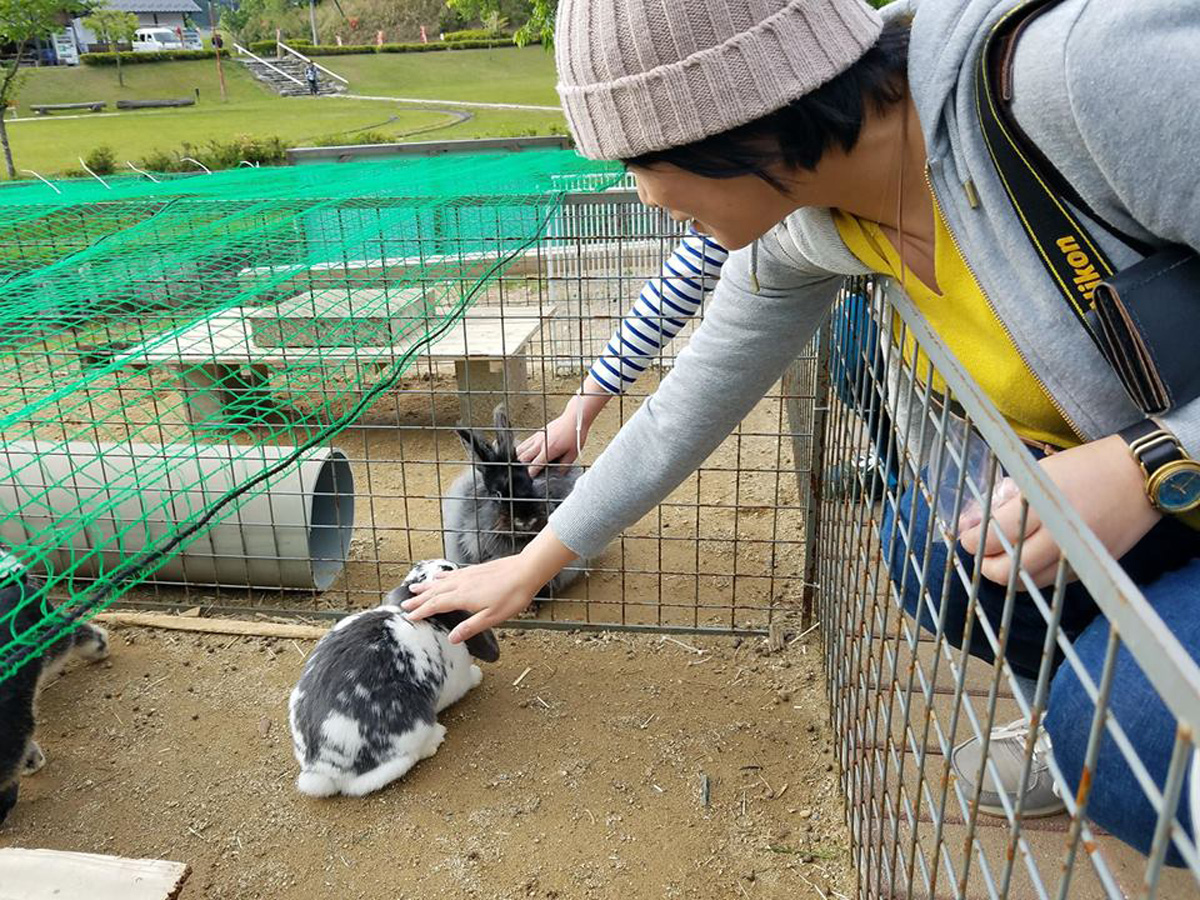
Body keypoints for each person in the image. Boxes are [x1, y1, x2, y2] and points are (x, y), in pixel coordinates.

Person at [405, 0, 1200, 859]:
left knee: (1126, 740)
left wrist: (1153, 459)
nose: (641, 196)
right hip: (1163, 502)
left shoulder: (1083, 80)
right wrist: (531, 562)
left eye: (638, 160)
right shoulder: (807, 230)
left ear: (733, 115)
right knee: (936, 552)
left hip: (1168, 479)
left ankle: (1113, 715)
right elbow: (689, 403)